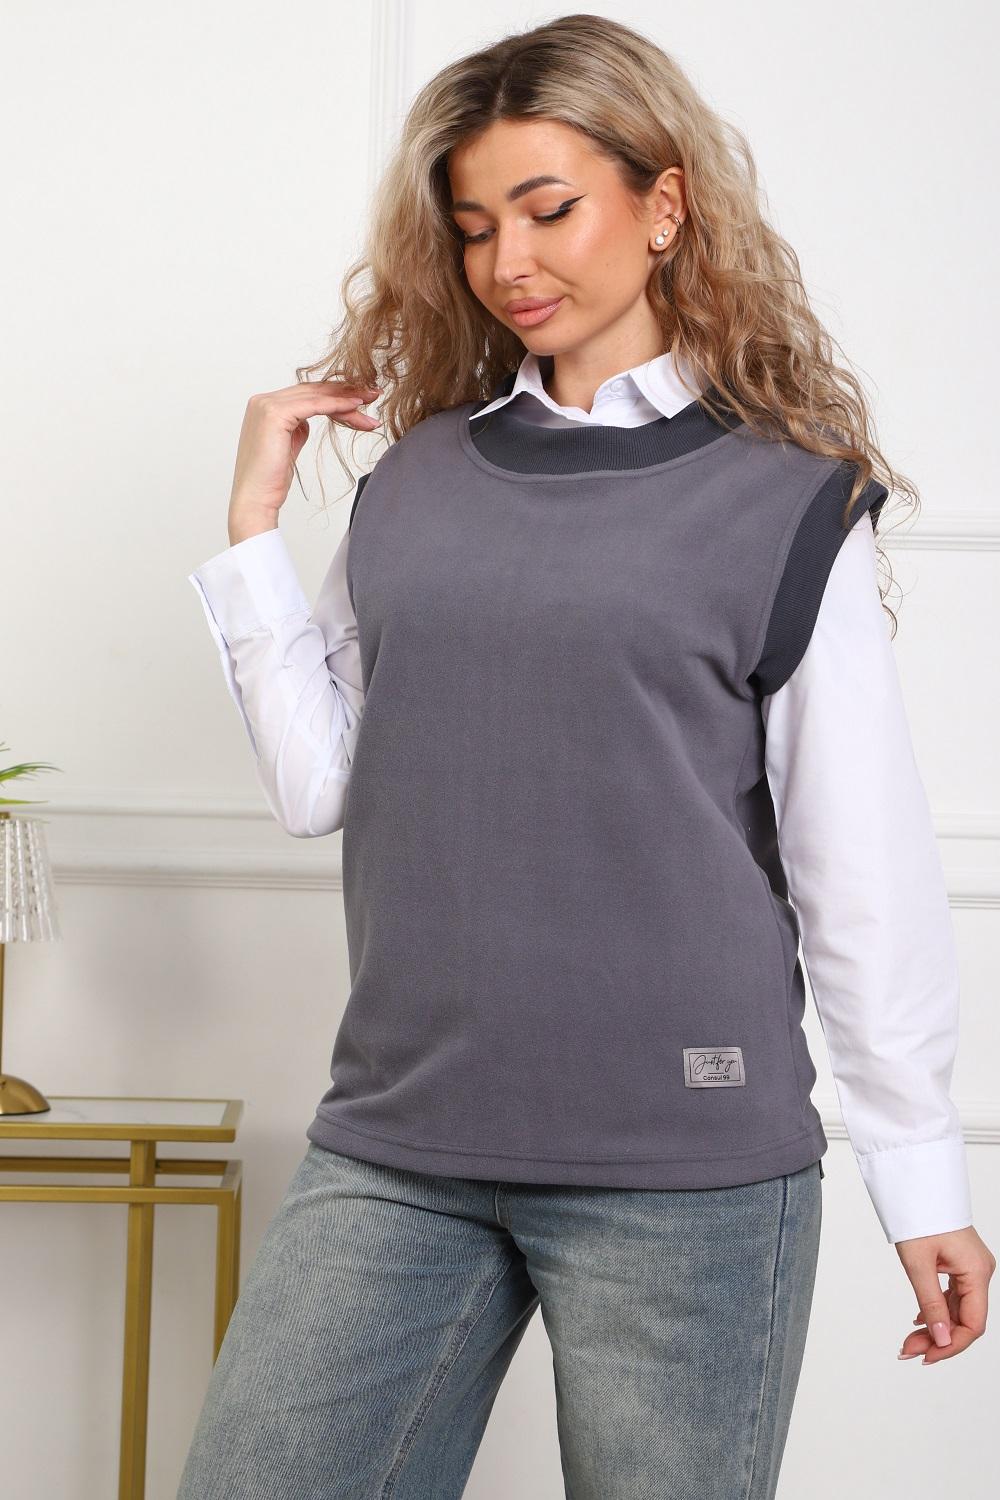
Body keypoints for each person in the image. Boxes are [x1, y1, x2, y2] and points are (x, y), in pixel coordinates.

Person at [178, 14, 995, 1498]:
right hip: (402, 1143)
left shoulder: (783, 500)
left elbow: (857, 866)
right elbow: (323, 788)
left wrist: (920, 1173)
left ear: (663, 204)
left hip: (682, 1171)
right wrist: (251, 535)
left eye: (550, 210)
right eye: (476, 226)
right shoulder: (417, 479)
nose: (510, 261)